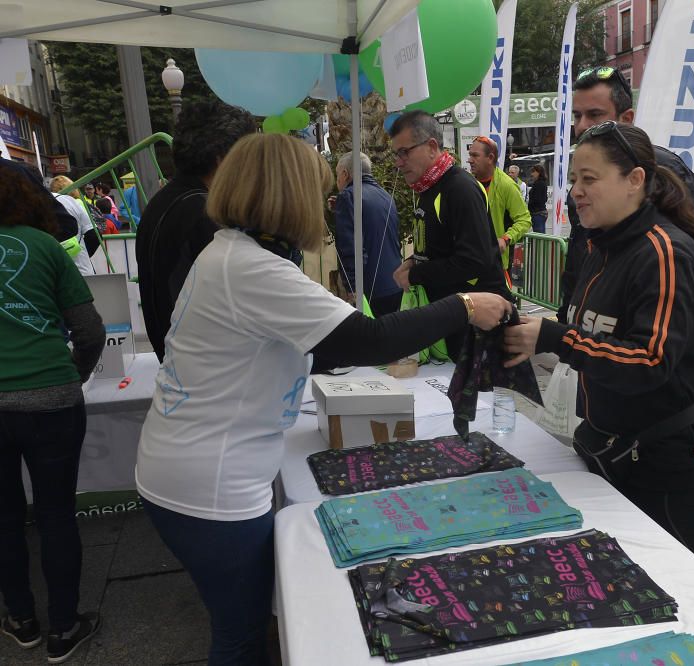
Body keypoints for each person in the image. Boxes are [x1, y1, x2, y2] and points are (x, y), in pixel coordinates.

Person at [135, 134, 511, 665]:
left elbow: (298, 347)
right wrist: (464, 304)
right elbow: (372, 340)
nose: (325, 205)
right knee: (240, 635)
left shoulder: (230, 255)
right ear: (290, 196)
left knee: (245, 624)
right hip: (210, 485)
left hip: (191, 466)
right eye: (317, 192)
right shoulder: (252, 269)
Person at [504, 122, 694, 553]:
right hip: (610, 439)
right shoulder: (603, 245)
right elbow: (589, 329)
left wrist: (557, 338)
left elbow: (649, 361)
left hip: (663, 450)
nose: (576, 192)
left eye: (590, 179)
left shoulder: (665, 254)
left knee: (660, 569)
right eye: (572, 180)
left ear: (634, 180)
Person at [0, 164, 105, 663]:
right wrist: (73, 376)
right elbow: (88, 330)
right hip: (51, 399)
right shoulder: (44, 247)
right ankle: (64, 627)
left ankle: (20, 618)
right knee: (56, 513)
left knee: (2, 517)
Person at [560, 65, 694, 323]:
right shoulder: (581, 182)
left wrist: (648, 310)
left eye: (594, 115)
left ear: (627, 118)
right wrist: (568, 315)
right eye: (577, 116)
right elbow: (583, 252)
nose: (581, 126)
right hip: (588, 337)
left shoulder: (663, 168)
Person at [136, 99, 257, 361]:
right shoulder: (203, 214)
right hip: (208, 371)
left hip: (179, 365)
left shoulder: (163, 201)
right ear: (223, 159)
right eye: (247, 157)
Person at [388, 110, 510, 360]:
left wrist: (415, 274)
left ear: (432, 146)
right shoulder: (428, 187)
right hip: (455, 322)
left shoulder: (460, 188)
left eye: (404, 152)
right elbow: (439, 247)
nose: (398, 162)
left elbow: (474, 260)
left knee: (482, 399)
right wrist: (413, 261)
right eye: (395, 154)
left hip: (479, 327)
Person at [333, 151, 403, 316]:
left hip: (370, 289)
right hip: (394, 283)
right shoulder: (385, 195)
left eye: (337, 175)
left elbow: (351, 247)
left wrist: (352, 287)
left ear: (345, 174)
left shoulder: (348, 197)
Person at [467, 135, 533, 270]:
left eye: (475, 156)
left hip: (494, 265)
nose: (470, 160)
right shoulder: (467, 182)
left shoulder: (506, 185)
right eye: (470, 155)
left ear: (490, 158)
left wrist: (506, 238)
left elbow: (524, 220)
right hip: (469, 262)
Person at [49, 175, 100, 276]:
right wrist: (83, 253)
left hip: (55, 269)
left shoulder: (43, 203)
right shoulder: (76, 202)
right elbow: (94, 235)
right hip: (81, 267)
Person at [528, 164, 549, 234]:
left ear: (538, 172)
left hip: (538, 213)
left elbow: (538, 199)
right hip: (539, 212)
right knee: (539, 235)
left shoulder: (539, 184)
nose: (532, 174)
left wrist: (529, 205)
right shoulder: (540, 183)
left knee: (539, 236)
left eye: (533, 171)